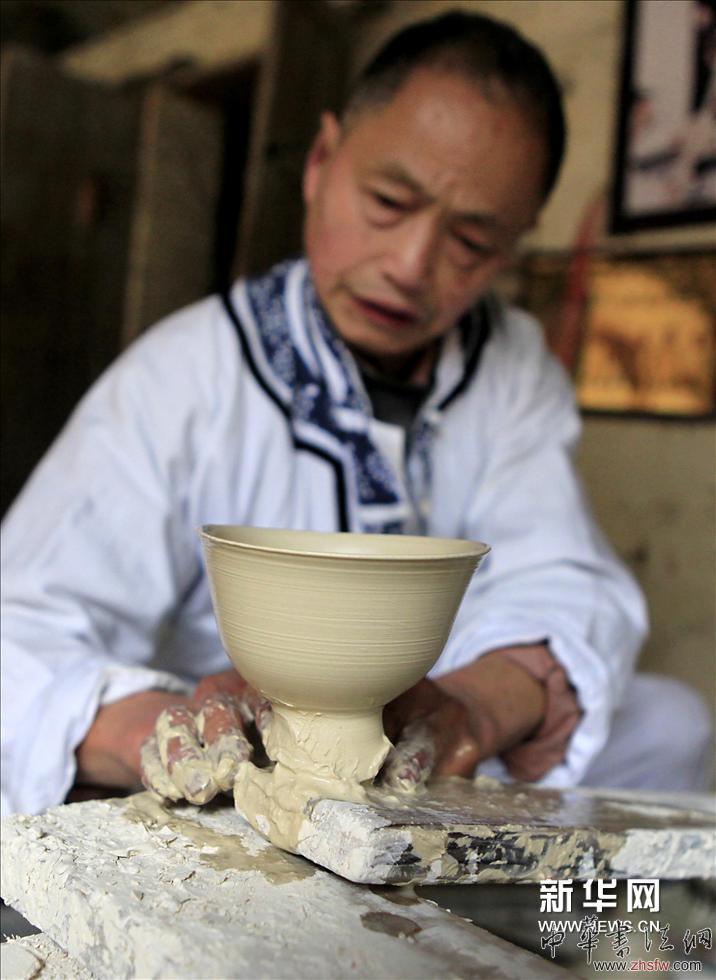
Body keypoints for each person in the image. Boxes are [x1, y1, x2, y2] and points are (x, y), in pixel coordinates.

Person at [2, 11, 712, 818]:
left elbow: (560, 574)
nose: (411, 268)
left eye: (471, 243)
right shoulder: (186, 375)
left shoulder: (511, 369)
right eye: (387, 201)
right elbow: (17, 627)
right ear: (320, 161)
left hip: (430, 751)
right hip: (237, 775)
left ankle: (613, 950)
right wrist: (160, 732)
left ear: (514, 246)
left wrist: (475, 708)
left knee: (672, 726)